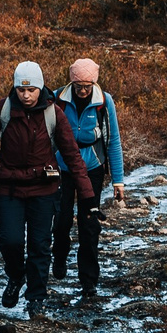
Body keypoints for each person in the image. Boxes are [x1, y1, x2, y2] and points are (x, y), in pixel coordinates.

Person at [0, 60, 94, 320]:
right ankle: (15, 274)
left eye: (31, 90)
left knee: (40, 247)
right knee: (10, 240)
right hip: (8, 189)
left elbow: (73, 156)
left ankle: (36, 300)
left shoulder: (53, 113)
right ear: (15, 89)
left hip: (44, 191)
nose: (26, 95)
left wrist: (88, 196)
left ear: (40, 88)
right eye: (21, 90)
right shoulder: (2, 110)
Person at [52, 57, 126, 307]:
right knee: (61, 219)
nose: (83, 90)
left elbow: (113, 140)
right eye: (78, 86)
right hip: (62, 167)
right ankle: (59, 255)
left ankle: (88, 282)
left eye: (87, 85)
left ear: (94, 82)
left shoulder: (104, 102)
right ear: (71, 82)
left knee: (89, 225)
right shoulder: (57, 99)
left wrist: (119, 181)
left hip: (92, 168)